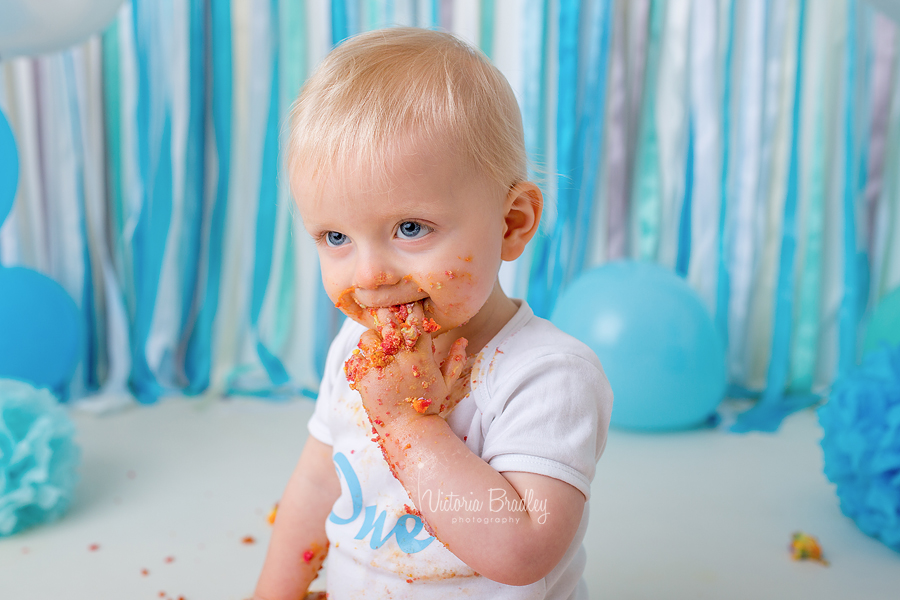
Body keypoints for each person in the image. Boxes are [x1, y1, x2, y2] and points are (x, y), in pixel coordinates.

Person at [254, 26, 613, 600]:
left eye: (410, 228)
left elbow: (521, 550)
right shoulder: (355, 350)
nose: (369, 277)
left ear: (512, 223)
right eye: (336, 236)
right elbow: (317, 484)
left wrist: (407, 425)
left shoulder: (548, 376)